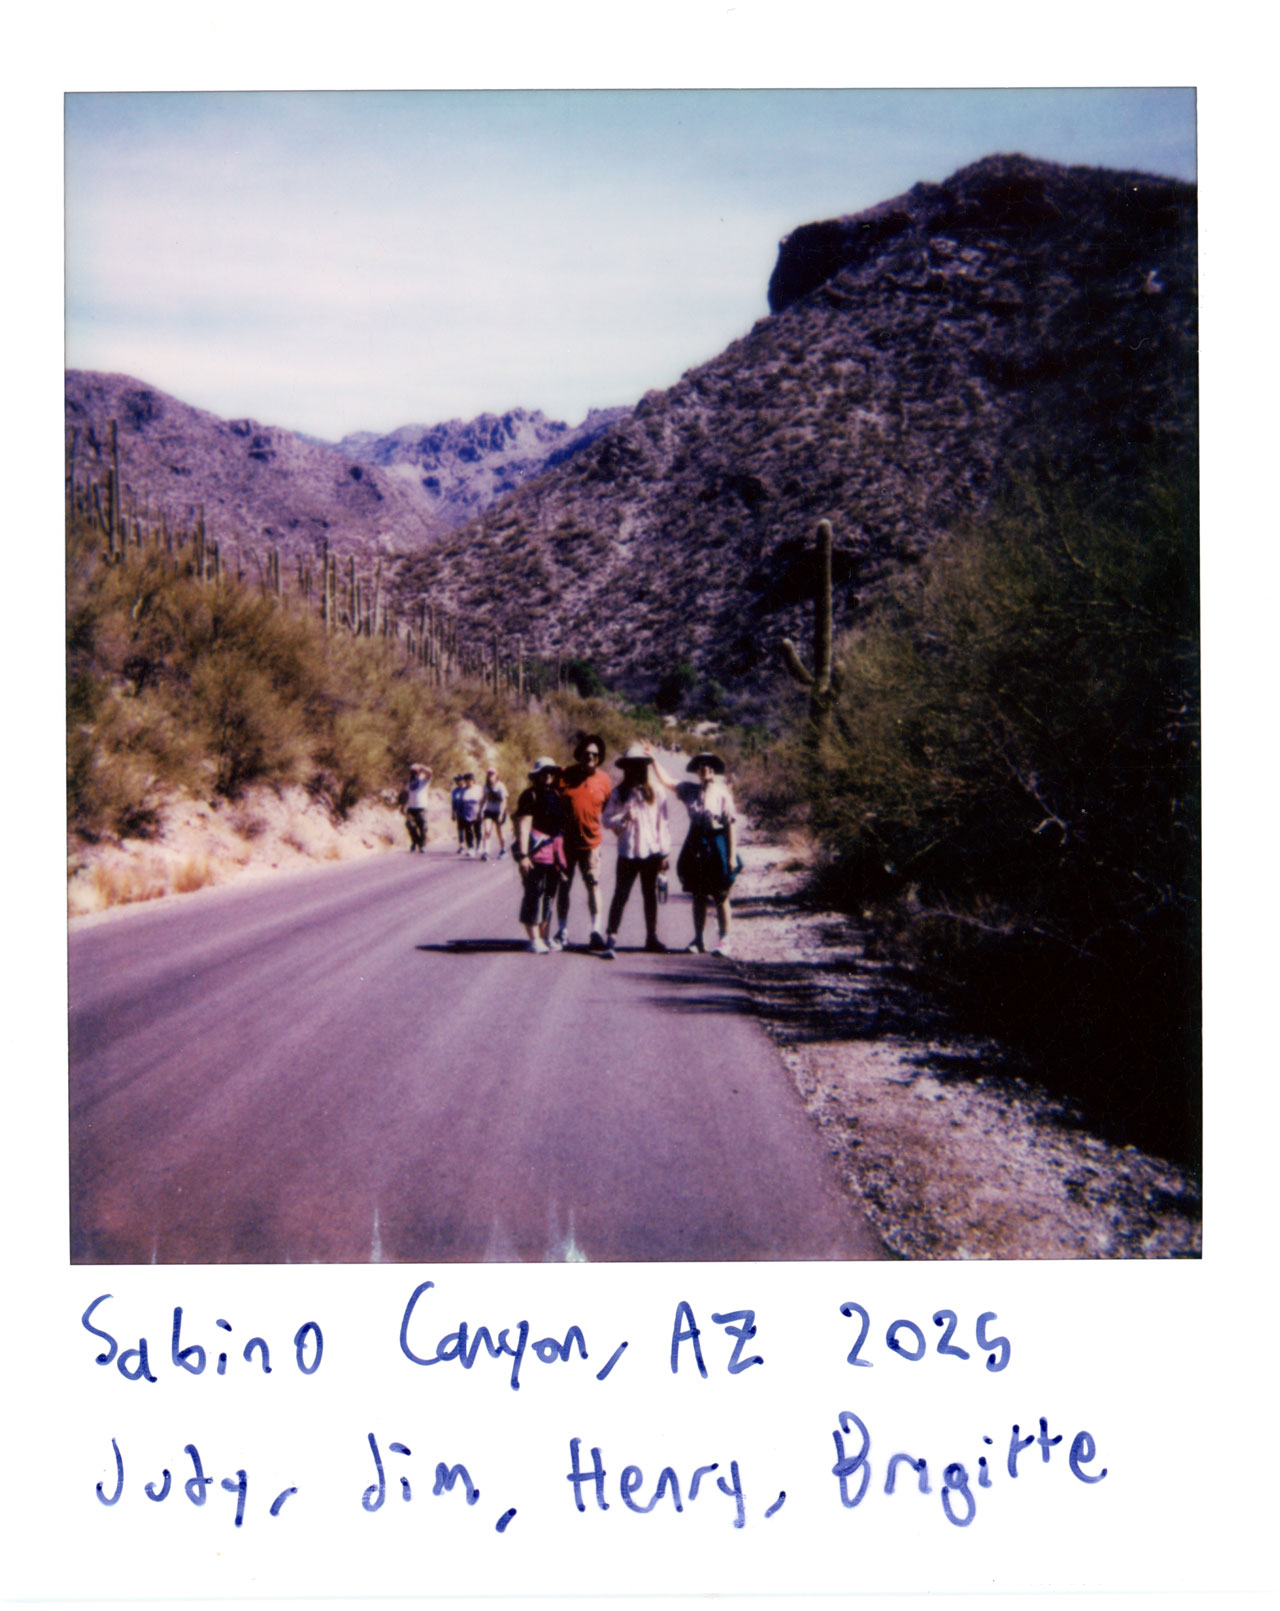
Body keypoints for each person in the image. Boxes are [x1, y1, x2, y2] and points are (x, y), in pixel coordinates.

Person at [648, 747, 739, 956]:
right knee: (698, 894)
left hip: (717, 842)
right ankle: (698, 939)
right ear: (697, 770)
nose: (705, 768)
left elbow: (730, 826)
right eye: (701, 765)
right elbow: (668, 782)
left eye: (709, 765)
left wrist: (731, 856)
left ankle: (724, 940)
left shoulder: (722, 793)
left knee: (721, 894)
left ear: (713, 770)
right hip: (696, 842)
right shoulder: (689, 790)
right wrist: (653, 760)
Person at [600, 743, 671, 957]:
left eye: (640, 765)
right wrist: (623, 818)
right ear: (626, 768)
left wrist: (664, 854)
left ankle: (651, 937)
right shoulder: (619, 793)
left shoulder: (656, 792)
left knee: (649, 895)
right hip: (628, 851)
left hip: (650, 852)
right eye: (632, 766)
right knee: (621, 894)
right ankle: (611, 937)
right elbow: (606, 819)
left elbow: (663, 824)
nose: (636, 769)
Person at [552, 732, 612, 950]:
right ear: (580, 754)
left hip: (591, 844)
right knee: (564, 886)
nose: (590, 757)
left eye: (594, 755)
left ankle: (595, 931)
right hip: (566, 843)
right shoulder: (565, 775)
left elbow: (605, 807)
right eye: (586, 753)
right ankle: (562, 930)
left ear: (599, 757)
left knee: (593, 886)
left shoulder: (604, 780)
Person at [513, 758, 567, 953]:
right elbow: (524, 825)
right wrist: (523, 855)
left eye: (552, 773)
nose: (549, 776)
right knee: (533, 894)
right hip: (535, 852)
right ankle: (533, 939)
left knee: (549, 895)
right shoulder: (530, 795)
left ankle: (545, 936)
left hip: (552, 853)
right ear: (537, 775)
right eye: (545, 773)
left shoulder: (555, 794)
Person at [479, 767, 509, 860]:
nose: (490, 776)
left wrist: (501, 814)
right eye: (489, 774)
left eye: (492, 774)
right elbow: (483, 799)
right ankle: (486, 852)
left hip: (499, 811)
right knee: (487, 831)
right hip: (489, 811)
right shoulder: (486, 787)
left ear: (496, 776)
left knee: (500, 833)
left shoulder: (500, 786)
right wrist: (479, 811)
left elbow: (504, 800)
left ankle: (503, 849)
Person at [402, 763, 432, 853]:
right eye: (412, 771)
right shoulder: (409, 782)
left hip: (421, 807)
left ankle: (421, 845)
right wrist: (403, 806)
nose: (413, 773)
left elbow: (430, 772)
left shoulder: (423, 780)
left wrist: (421, 767)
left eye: (415, 771)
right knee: (410, 825)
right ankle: (415, 841)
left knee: (422, 827)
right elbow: (406, 794)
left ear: (419, 772)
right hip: (411, 807)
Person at [456, 770, 485, 857]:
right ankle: (470, 848)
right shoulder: (463, 790)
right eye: (466, 780)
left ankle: (479, 845)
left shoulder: (479, 789)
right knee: (468, 831)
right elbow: (460, 802)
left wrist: (482, 811)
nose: (468, 782)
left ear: (473, 780)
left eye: (469, 780)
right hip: (466, 813)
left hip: (477, 812)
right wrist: (459, 813)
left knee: (477, 830)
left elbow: (483, 801)